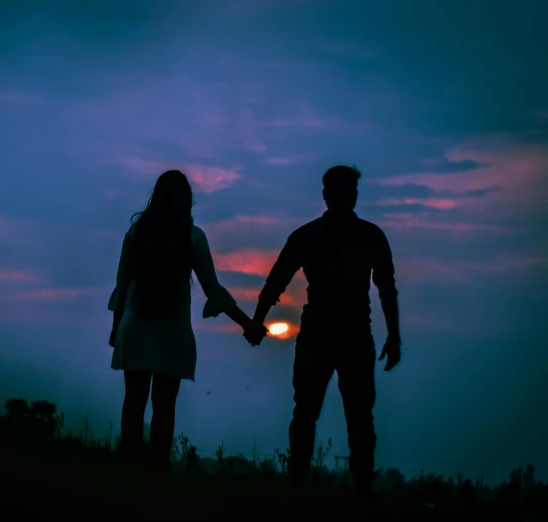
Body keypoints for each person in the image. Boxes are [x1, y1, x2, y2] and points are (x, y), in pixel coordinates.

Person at [243, 165, 401, 496]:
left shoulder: (309, 235)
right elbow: (386, 289)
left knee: (312, 414)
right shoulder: (367, 235)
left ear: (327, 194)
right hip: (350, 335)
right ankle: (355, 490)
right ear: (337, 195)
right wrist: (394, 336)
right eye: (346, 191)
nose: (347, 198)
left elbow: (275, 282)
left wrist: (257, 321)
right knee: (353, 417)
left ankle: (303, 485)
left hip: (325, 335)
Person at [107, 170, 264, 477]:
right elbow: (213, 290)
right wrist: (248, 324)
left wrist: (116, 328)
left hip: (134, 328)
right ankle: (158, 473)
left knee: (133, 403)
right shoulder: (192, 237)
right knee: (165, 407)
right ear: (187, 201)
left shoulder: (136, 234)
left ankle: (128, 472)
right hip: (172, 333)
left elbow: (122, 284)